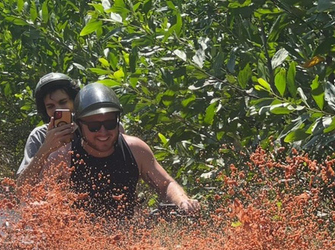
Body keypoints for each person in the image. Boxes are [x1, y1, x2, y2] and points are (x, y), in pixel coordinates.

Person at [41, 82, 200, 219]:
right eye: (94, 127)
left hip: (130, 238)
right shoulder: (61, 159)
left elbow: (165, 184)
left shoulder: (136, 150)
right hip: (80, 241)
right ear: (80, 126)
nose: (103, 132)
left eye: (109, 124)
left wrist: (182, 201)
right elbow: (44, 204)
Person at [16, 72, 80, 187]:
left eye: (63, 102)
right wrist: (46, 148)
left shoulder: (89, 129)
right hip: (50, 200)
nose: (57, 109)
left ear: (74, 101)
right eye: (50, 106)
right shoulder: (39, 135)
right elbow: (21, 188)